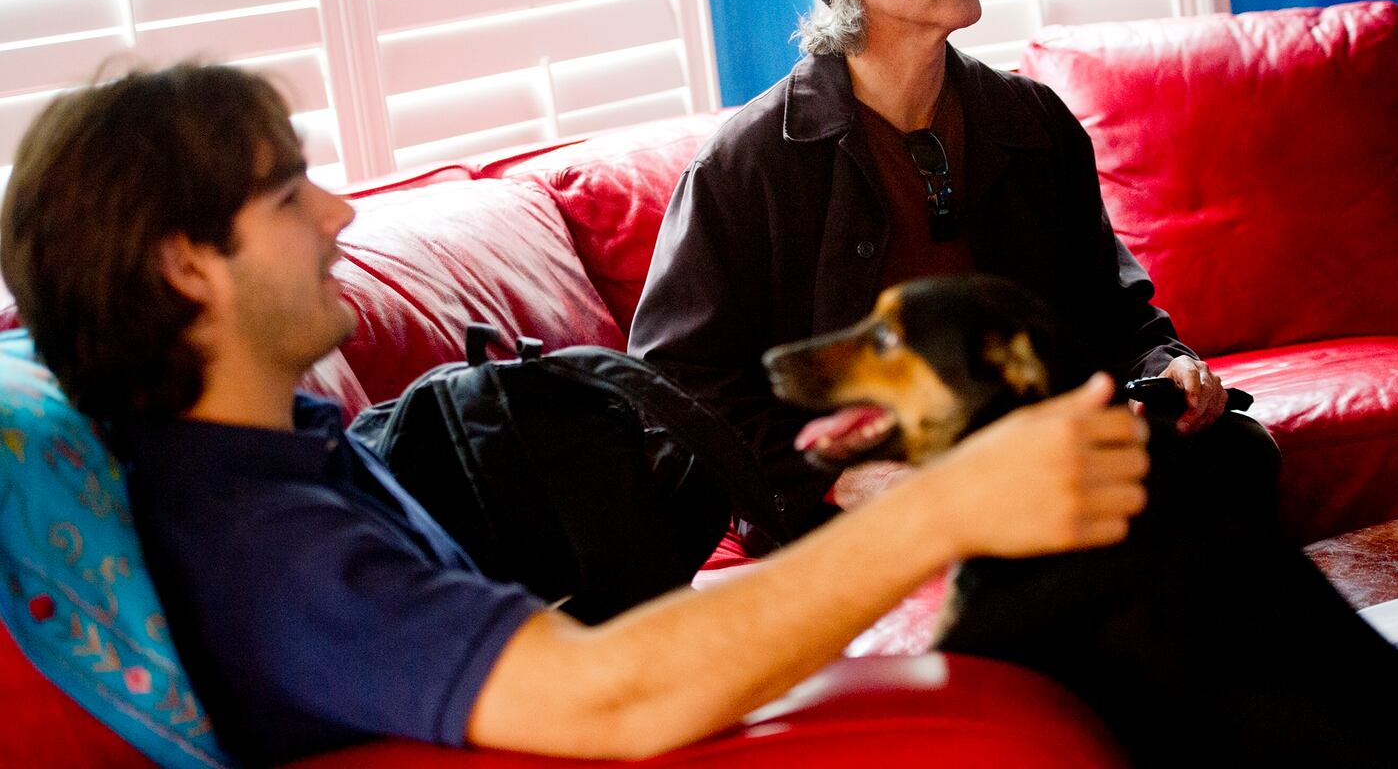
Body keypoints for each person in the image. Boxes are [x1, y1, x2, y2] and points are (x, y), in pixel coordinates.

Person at [0, 63, 1153, 765]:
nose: (341, 213)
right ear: (186, 265)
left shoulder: (276, 457)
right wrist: (945, 507)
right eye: (288, 191)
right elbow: (613, 695)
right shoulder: (262, 545)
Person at [629, 0, 1275, 548]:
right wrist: (837, 480)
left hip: (1030, 455)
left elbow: (1109, 306)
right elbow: (674, 382)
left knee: (1235, 452)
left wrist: (1167, 366)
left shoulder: (1031, 121)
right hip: (868, 490)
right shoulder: (747, 164)